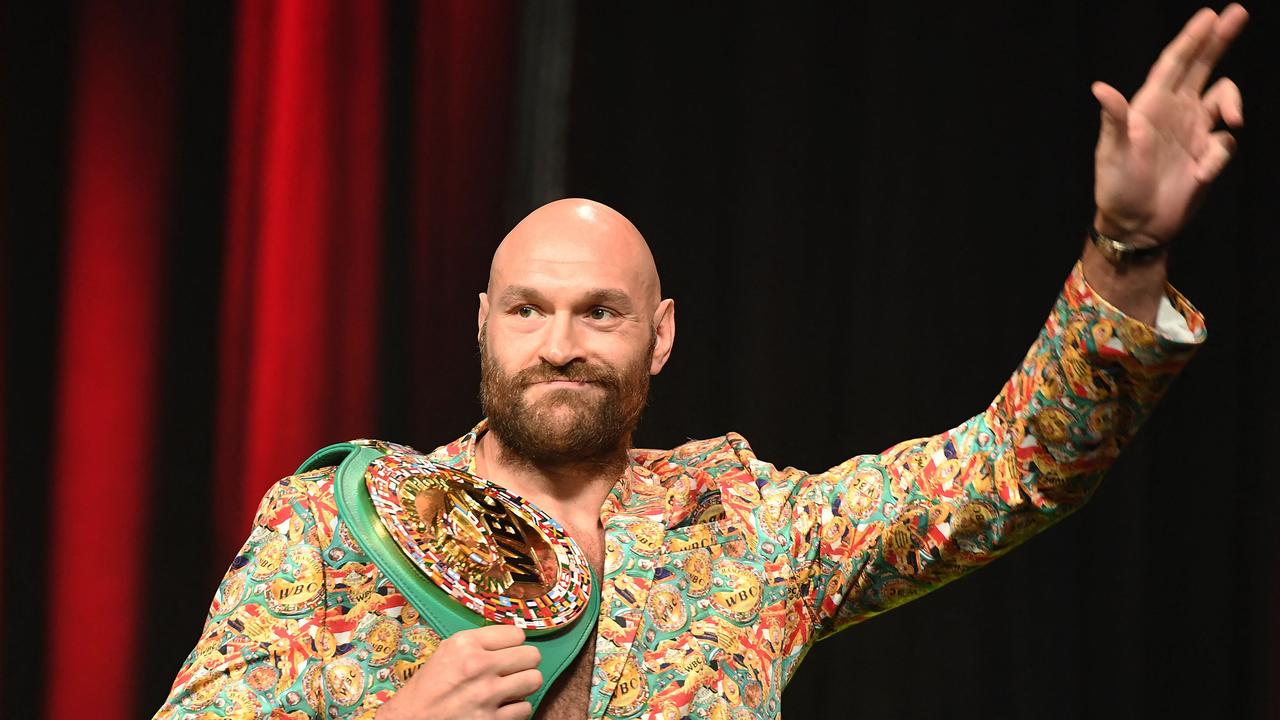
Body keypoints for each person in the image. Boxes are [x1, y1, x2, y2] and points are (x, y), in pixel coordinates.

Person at [155, 6, 1248, 719]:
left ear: (660, 336)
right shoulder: (336, 522)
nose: (560, 346)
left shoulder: (753, 532)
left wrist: (1127, 248)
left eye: (600, 313)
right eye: (527, 311)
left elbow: (1013, 469)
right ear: (480, 324)